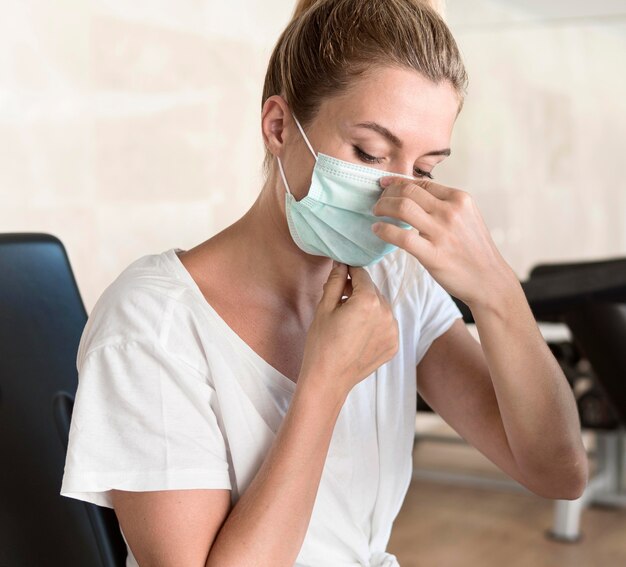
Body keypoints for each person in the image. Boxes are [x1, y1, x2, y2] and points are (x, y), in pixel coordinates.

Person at [60, 0, 589, 565]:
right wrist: (324, 385)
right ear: (279, 127)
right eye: (369, 152)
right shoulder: (152, 323)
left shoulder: (398, 282)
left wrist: (497, 292)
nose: (397, 191)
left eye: (425, 169)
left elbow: (556, 471)